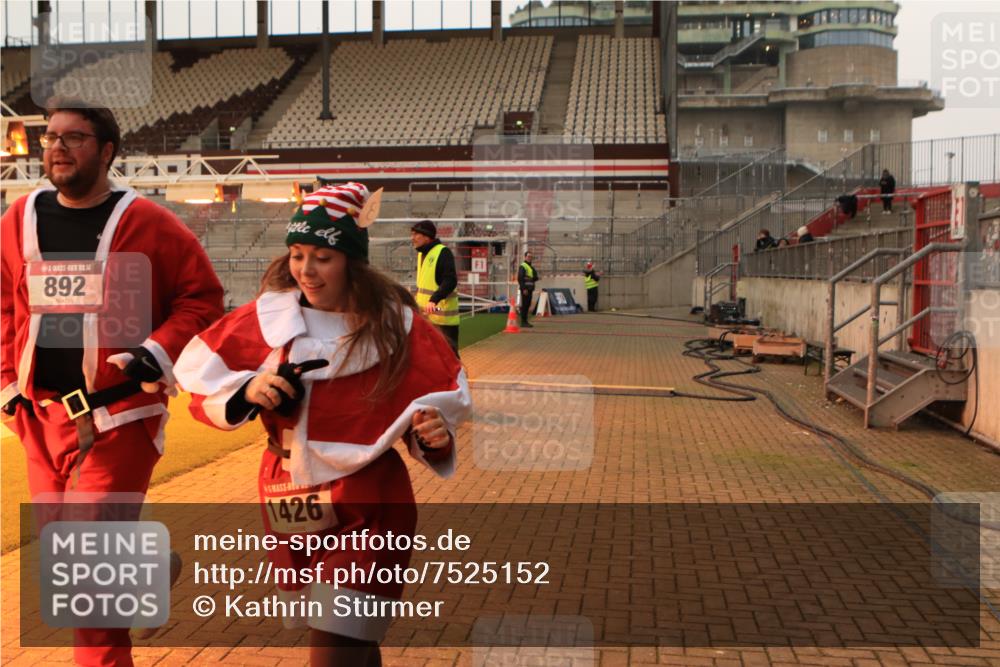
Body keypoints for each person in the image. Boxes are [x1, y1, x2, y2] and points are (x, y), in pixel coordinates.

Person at [174, 182, 472, 667]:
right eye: (296, 254)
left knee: (334, 643)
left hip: (368, 503)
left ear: (351, 260)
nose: (305, 271)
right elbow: (201, 379)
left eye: (322, 257)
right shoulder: (264, 319)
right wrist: (248, 391)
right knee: (350, 637)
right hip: (287, 497)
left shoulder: (396, 326)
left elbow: (436, 406)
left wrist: (434, 437)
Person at [0, 98, 224, 666]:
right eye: (50, 136)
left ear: (106, 151)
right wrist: (7, 387)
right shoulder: (18, 219)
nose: (56, 147)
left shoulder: (149, 222)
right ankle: (145, 569)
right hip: (39, 419)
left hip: (118, 418)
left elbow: (202, 299)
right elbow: (3, 306)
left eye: (73, 138)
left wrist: (156, 351)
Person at [409, 220, 459, 355]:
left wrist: (434, 299)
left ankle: (459, 376)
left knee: (449, 357)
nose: (412, 238)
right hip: (425, 317)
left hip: (443, 320)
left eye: (415, 234)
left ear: (427, 236)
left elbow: (450, 280)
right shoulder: (421, 254)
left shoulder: (443, 252)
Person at [517, 251, 539, 327]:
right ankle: (523, 322)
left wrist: (536, 278)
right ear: (525, 257)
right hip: (526, 289)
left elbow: (534, 277)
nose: (530, 258)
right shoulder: (523, 266)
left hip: (530, 289)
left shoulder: (530, 267)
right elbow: (520, 278)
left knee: (527, 305)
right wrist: (524, 289)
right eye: (528, 256)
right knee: (525, 305)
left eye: (531, 257)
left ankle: (525, 321)